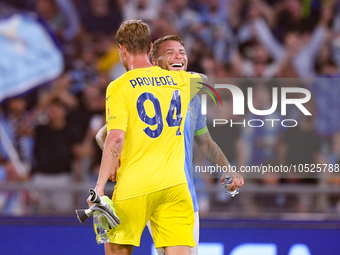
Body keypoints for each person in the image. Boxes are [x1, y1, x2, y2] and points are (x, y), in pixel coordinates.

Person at [95, 34, 244, 255]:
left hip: (178, 194)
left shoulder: (191, 96)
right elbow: (104, 135)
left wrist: (227, 168)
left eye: (182, 53)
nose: (178, 56)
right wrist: (114, 161)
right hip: (142, 190)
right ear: (154, 62)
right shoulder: (141, 92)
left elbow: (205, 141)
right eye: (170, 53)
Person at [87, 20, 204, 255]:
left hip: (136, 184)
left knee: (117, 251)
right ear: (150, 48)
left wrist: (99, 187)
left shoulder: (118, 87)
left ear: (122, 49)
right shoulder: (181, 81)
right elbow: (202, 79)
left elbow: (116, 137)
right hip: (175, 185)